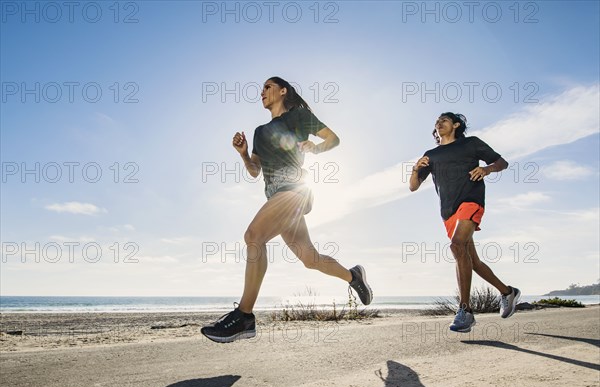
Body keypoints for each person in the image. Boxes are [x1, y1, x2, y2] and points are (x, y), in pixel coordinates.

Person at [201, 77, 373, 343]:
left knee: (253, 236)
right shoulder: (259, 131)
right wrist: (243, 154)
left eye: (268, 87)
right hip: (277, 195)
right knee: (310, 259)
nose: (262, 92)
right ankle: (354, 276)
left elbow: (333, 139)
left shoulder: (299, 117)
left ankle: (244, 316)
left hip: (295, 191)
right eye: (261, 89)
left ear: (283, 91)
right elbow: (255, 171)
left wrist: (315, 147)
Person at [409, 112, 520, 333]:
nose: (439, 123)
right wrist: (415, 169)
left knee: (456, 245)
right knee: (471, 261)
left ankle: (465, 310)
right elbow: (413, 186)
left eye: (444, 120)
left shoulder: (471, 144)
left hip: (471, 199)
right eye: (437, 121)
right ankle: (508, 292)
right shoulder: (430, 155)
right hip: (448, 212)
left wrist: (487, 169)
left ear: (456, 125)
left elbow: (502, 162)